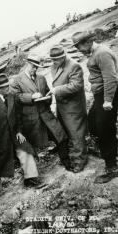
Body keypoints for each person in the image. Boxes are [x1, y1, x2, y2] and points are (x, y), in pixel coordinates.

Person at [0, 73, 43, 206]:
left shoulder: (11, 97)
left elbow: (18, 117)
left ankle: (30, 178)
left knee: (26, 150)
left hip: (14, 135)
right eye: (4, 87)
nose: (7, 89)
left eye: (7, 86)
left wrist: (20, 132)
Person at [72, 30, 118, 183]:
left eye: (79, 46)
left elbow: (111, 78)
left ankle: (112, 167)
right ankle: (108, 149)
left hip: (109, 95)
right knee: (93, 123)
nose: (78, 50)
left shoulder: (101, 53)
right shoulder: (96, 53)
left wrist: (108, 100)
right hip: (101, 95)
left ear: (88, 42)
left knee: (104, 129)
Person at [10, 54, 71, 171]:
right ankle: (29, 172)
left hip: (46, 115)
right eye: (33, 67)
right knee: (28, 146)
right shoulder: (16, 80)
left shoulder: (41, 78)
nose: (35, 69)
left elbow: (48, 93)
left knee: (61, 136)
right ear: (27, 64)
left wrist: (46, 99)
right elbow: (15, 98)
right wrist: (31, 96)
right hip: (30, 120)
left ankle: (66, 162)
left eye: (37, 67)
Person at [48, 45, 88, 173]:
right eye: (52, 60)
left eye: (56, 60)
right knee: (67, 132)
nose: (53, 63)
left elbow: (76, 85)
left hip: (73, 107)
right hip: (62, 106)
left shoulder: (74, 66)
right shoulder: (54, 66)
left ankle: (79, 161)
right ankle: (72, 156)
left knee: (76, 134)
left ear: (63, 57)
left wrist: (56, 90)